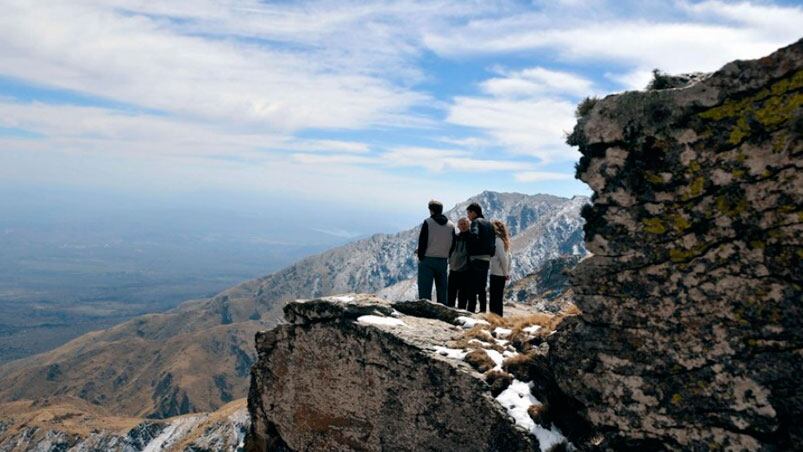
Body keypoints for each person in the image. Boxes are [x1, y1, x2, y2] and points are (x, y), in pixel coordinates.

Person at [417, 200, 454, 304]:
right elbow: (453, 244)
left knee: (425, 290)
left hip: (427, 260)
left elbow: (422, 241)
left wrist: (421, 256)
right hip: (443, 261)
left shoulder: (428, 222)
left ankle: (425, 312)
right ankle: (443, 311)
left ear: (431, 210)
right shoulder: (451, 225)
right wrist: (447, 254)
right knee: (442, 290)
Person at [464, 202, 495, 313]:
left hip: (475, 259)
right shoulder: (490, 224)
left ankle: (470, 311)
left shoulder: (475, 222)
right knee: (482, 287)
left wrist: (469, 246)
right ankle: (483, 311)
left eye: (468, 213)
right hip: (486, 259)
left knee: (471, 286)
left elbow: (474, 236)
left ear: (473, 212)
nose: (468, 216)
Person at [489, 220, 512, 316]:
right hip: (501, 273)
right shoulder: (503, 240)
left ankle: (495, 317)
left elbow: (503, 258)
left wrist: (506, 273)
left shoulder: (497, 240)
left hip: (497, 273)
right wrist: (507, 272)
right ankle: (497, 318)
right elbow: (508, 257)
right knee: (497, 297)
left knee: (495, 298)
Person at [448, 217, 470, 309]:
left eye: (465, 224)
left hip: (465, 270)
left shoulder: (472, 237)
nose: (463, 226)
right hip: (453, 269)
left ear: (468, 225)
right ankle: (449, 310)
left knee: (463, 294)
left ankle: (462, 313)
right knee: (451, 292)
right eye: (461, 224)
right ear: (458, 226)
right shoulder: (455, 237)